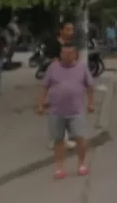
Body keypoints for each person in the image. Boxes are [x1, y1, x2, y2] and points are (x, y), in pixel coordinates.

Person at [36, 44, 95, 180]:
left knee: (80, 138)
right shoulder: (53, 68)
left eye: (70, 53)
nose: (67, 56)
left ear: (75, 55)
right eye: (64, 53)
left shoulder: (82, 68)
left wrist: (91, 103)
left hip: (76, 110)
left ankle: (81, 164)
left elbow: (90, 87)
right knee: (58, 140)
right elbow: (44, 86)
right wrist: (40, 104)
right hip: (56, 111)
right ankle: (59, 167)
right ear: (60, 54)